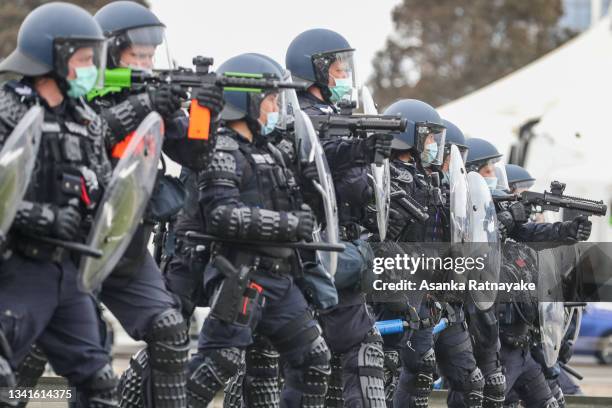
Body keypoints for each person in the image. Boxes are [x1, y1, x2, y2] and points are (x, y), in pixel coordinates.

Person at [186, 53, 331, 408]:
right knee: (217, 364)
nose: (275, 107)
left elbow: (298, 210)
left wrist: (311, 193)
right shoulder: (220, 150)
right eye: (270, 99)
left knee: (314, 360)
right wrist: (289, 224)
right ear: (245, 100)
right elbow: (222, 216)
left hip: (281, 280)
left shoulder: (273, 153)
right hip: (241, 276)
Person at [0, 3, 121, 406]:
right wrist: (43, 216)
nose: (91, 69)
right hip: (15, 271)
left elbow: (106, 188)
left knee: (100, 384)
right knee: (6, 387)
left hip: (67, 273)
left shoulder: (87, 120)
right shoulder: (6, 112)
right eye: (84, 59)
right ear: (54, 57)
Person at [286, 28, 390, 407]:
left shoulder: (335, 117)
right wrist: (360, 150)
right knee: (308, 360)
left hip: (340, 251)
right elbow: (330, 162)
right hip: (312, 254)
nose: (346, 75)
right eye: (338, 67)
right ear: (314, 70)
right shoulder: (303, 119)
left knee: (358, 348)